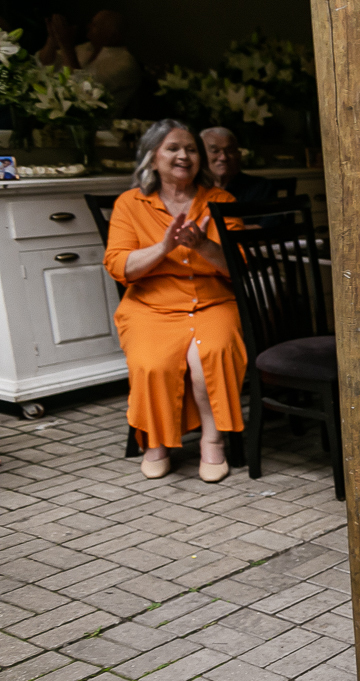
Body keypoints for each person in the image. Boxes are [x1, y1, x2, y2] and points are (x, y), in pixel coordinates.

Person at [103, 120, 245, 482]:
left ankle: (212, 442)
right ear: (152, 159)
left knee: (209, 356)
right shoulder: (129, 204)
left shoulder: (220, 201)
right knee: (153, 364)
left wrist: (202, 245)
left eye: (191, 149)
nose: (184, 155)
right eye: (173, 148)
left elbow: (240, 264)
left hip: (212, 301)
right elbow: (119, 265)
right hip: (150, 305)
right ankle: (157, 443)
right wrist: (164, 248)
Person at [38, 11, 140, 115]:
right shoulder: (86, 47)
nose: (88, 26)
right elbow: (44, 64)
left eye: (95, 25)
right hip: (56, 110)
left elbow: (83, 91)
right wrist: (52, 38)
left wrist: (66, 47)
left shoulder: (125, 64)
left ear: (113, 35)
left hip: (92, 124)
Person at [199, 127, 272, 203]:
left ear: (239, 155)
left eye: (230, 151)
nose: (223, 157)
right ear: (200, 156)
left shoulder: (259, 187)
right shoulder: (193, 188)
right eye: (215, 151)